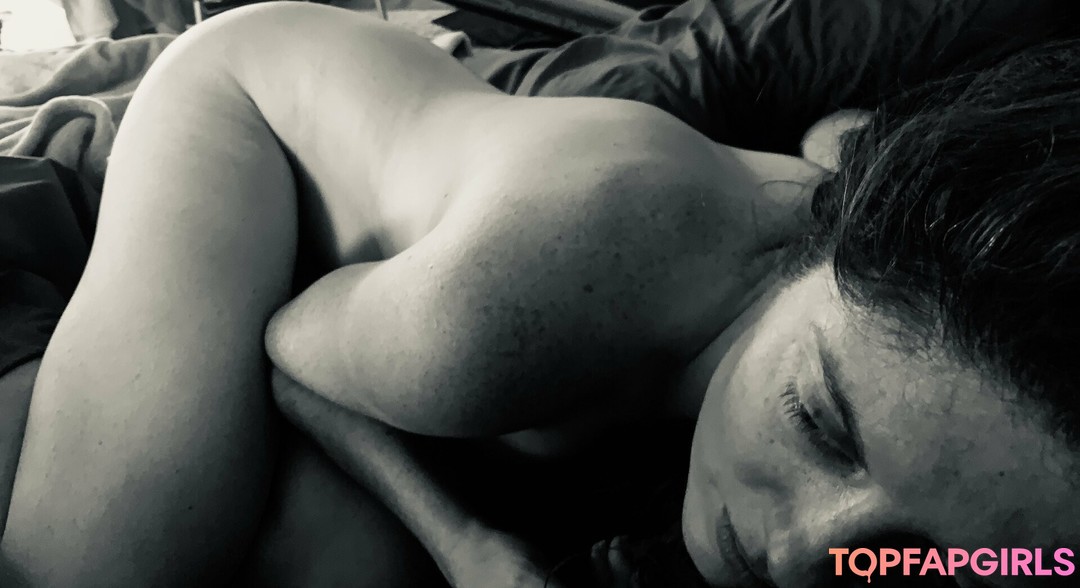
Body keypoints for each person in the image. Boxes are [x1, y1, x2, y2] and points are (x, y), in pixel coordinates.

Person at [1, 4, 1078, 588]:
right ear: (824, 244)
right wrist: (466, 545)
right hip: (252, 108)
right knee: (99, 570)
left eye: (927, 559)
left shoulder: (999, 470)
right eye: (818, 422)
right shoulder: (493, 324)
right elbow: (291, 341)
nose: (802, 557)